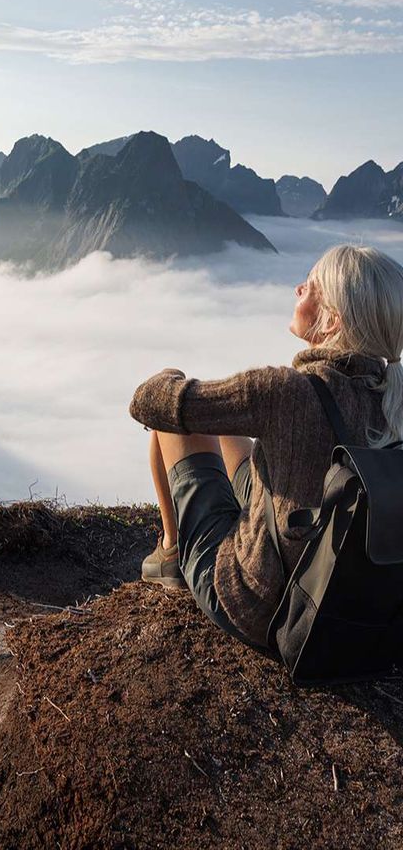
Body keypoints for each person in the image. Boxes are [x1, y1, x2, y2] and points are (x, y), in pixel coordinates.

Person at [129, 244, 403, 648]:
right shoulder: (392, 402)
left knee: (175, 418)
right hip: (337, 602)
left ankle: (172, 553)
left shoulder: (285, 392)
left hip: (257, 604)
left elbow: (149, 402)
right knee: (228, 429)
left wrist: (176, 378)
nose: (297, 290)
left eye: (310, 288)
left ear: (331, 323)